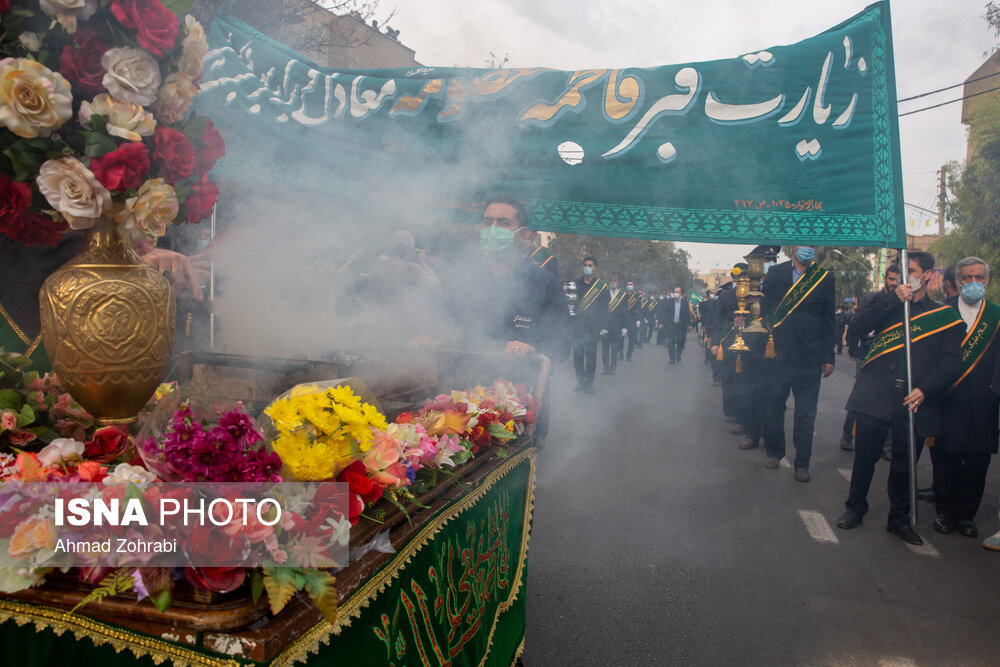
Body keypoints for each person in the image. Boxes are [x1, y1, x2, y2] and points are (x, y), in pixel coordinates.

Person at [836, 252, 964, 545]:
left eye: (913, 270)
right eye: (903, 270)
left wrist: (926, 389)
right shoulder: (885, 303)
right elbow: (857, 327)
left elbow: (950, 361)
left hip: (915, 397)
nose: (907, 276)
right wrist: (894, 298)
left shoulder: (944, 315)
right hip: (876, 393)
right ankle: (855, 508)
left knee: (905, 462)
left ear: (928, 275)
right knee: (865, 457)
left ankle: (899, 518)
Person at [473, 197, 570, 445]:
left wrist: (532, 348)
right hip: (466, 404)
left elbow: (561, 343)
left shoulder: (545, 283)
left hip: (522, 406)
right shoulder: (463, 280)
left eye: (503, 223)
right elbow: (446, 326)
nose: (493, 229)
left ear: (522, 233)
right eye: (488, 222)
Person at [932, 257, 999, 538]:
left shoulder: (996, 315)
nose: (974, 283)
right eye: (968, 277)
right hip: (948, 399)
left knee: (977, 463)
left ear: (987, 280)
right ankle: (946, 513)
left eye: (980, 277)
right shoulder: (941, 313)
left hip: (985, 401)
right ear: (958, 282)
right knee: (945, 461)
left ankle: (966, 516)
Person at [759, 246, 836, 482]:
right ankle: (775, 452)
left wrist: (828, 357)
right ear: (794, 248)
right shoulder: (775, 273)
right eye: (804, 244)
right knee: (773, 406)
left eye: (812, 245)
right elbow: (764, 310)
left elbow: (828, 317)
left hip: (809, 355)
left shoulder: (824, 277)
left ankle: (802, 463)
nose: (808, 249)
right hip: (778, 353)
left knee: (806, 413)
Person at [841, 266, 901, 450]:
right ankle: (847, 435)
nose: (894, 283)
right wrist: (852, 348)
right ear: (884, 279)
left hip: (892, 357)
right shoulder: (871, 299)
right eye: (891, 279)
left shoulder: (905, 302)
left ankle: (887, 445)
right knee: (862, 394)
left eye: (897, 280)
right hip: (867, 353)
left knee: (894, 397)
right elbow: (856, 325)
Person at [571, 256, 608, 393]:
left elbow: (605, 308)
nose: (588, 267)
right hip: (577, 326)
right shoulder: (575, 283)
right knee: (578, 356)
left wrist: (604, 326)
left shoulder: (601, 286)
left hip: (593, 327)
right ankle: (580, 382)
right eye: (585, 265)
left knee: (591, 356)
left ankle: (590, 383)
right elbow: (570, 304)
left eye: (590, 265)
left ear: (595, 268)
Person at [601, 275, 628, 376]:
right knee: (605, 349)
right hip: (605, 326)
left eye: (615, 281)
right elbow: (601, 310)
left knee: (614, 349)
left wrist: (625, 327)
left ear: (618, 282)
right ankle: (605, 368)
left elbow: (625, 312)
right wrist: (601, 326)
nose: (613, 282)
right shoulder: (604, 293)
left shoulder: (622, 295)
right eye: (611, 281)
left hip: (617, 326)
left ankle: (613, 368)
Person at [663, 286, 691, 364]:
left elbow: (687, 314)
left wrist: (689, 324)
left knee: (680, 341)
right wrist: (663, 321)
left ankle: (678, 354)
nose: (676, 293)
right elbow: (665, 312)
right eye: (675, 292)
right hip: (671, 325)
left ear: (681, 293)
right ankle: (672, 358)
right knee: (670, 342)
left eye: (678, 292)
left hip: (681, 326)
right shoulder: (669, 302)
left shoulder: (685, 302)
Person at [624, 280, 641, 361]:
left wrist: (638, 319)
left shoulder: (637, 296)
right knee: (621, 338)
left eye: (631, 284)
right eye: (628, 284)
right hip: (623, 319)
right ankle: (620, 354)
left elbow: (639, 309)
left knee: (631, 338)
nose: (629, 286)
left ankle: (629, 355)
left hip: (633, 319)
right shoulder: (623, 295)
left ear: (633, 286)